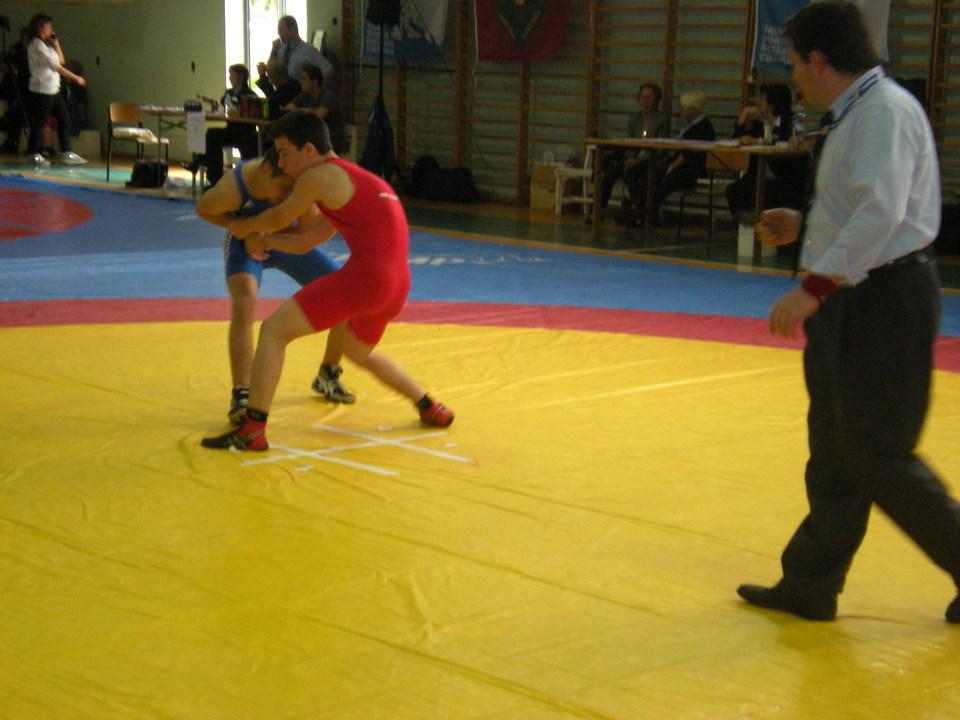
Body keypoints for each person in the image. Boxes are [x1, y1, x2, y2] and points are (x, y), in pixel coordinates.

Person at [739, 0, 960, 624]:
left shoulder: (884, 112)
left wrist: (813, 285)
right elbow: (863, 208)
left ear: (819, 60)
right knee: (834, 448)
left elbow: (882, 216)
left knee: (881, 454)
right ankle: (809, 583)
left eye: (794, 64)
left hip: (885, 301)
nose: (793, 78)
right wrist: (805, 223)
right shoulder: (857, 111)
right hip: (855, 297)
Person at [201, 110, 454, 451]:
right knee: (357, 352)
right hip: (397, 285)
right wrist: (266, 241)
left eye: (284, 153)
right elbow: (307, 241)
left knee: (274, 331)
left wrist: (245, 227)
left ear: (309, 150)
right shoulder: (352, 181)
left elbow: (278, 216)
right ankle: (427, 404)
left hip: (367, 278)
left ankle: (252, 429)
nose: (280, 163)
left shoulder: (317, 176)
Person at [196, 147, 356, 423]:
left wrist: (268, 234)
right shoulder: (234, 188)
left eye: (291, 191)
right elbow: (204, 209)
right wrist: (239, 226)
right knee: (245, 300)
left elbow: (306, 229)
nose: (286, 197)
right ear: (267, 170)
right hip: (245, 244)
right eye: (284, 189)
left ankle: (328, 373)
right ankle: (241, 393)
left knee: (345, 293)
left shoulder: (298, 180)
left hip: (283, 242)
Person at [621, 89, 715, 227]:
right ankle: (641, 208)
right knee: (647, 174)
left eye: (684, 107)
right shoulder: (690, 125)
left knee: (662, 183)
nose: (681, 110)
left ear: (693, 108)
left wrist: (672, 166)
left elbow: (689, 153)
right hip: (678, 165)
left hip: (690, 169)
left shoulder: (704, 127)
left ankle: (645, 214)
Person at [725, 83, 807, 225]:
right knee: (734, 191)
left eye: (763, 99)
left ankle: (766, 225)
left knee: (763, 194)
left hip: (783, 177)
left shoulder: (792, 120)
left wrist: (759, 141)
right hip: (758, 175)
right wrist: (744, 114)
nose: (759, 102)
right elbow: (737, 140)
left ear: (773, 103)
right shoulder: (760, 123)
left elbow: (787, 142)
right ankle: (752, 226)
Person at [24, 13, 87, 167]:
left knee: (64, 118)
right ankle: (33, 152)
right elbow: (55, 66)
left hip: (53, 88)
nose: (51, 30)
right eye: (49, 27)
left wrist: (56, 43)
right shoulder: (36, 45)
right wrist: (75, 78)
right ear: (41, 27)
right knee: (40, 122)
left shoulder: (47, 45)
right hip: (42, 89)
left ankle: (66, 152)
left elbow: (61, 60)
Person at [600, 82, 671, 211]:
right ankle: (599, 208)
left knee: (630, 173)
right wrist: (630, 157)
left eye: (649, 97)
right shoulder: (634, 118)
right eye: (642, 97)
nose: (645, 101)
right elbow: (631, 141)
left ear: (656, 100)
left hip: (651, 159)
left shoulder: (662, 119)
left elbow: (661, 148)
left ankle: (638, 205)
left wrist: (638, 160)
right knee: (610, 173)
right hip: (634, 157)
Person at [194, 64, 260, 186]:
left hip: (244, 131)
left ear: (241, 77)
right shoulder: (229, 92)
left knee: (212, 134)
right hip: (231, 129)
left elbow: (251, 116)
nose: (229, 78)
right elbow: (221, 107)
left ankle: (200, 162)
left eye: (232, 75)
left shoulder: (250, 95)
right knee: (212, 134)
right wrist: (213, 105)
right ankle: (214, 176)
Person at [283, 63, 346, 155]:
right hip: (313, 142)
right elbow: (288, 110)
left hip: (329, 144)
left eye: (304, 79)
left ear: (315, 82)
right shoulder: (304, 96)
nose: (300, 81)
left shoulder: (328, 97)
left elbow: (318, 116)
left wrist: (300, 111)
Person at [257, 15, 331, 92]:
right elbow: (270, 70)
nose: (279, 33)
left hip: (297, 94)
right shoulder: (280, 48)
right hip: (281, 93)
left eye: (281, 29)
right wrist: (273, 50)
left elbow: (329, 70)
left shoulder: (308, 50)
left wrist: (316, 92)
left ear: (293, 29)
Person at [0, 27, 31, 154]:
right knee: (14, 114)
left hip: (27, 87)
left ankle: (13, 141)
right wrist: (10, 69)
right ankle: (11, 141)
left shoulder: (34, 49)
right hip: (12, 85)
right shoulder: (15, 49)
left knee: (19, 114)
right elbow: (5, 65)